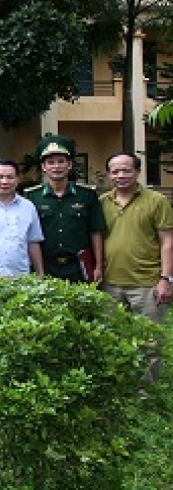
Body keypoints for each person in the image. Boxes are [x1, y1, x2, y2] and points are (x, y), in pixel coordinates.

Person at [100, 152, 173, 384]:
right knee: (112, 337)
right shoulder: (102, 202)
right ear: (109, 175)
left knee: (149, 340)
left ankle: (145, 392)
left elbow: (167, 242)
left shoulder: (156, 201)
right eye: (115, 171)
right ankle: (118, 388)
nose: (120, 175)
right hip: (110, 282)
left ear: (137, 172)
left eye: (126, 170)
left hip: (147, 282)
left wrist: (166, 278)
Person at [25, 135, 105, 284]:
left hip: (79, 266)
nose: (56, 167)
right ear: (44, 167)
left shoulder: (87, 195)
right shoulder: (32, 197)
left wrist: (99, 266)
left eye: (61, 161)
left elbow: (96, 231)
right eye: (50, 162)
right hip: (46, 266)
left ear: (69, 165)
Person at [0, 160, 45, 283]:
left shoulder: (28, 207)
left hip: (20, 279)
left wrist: (40, 274)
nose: (5, 182)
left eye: (10, 177)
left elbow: (33, 242)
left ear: (17, 180)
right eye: (0, 177)